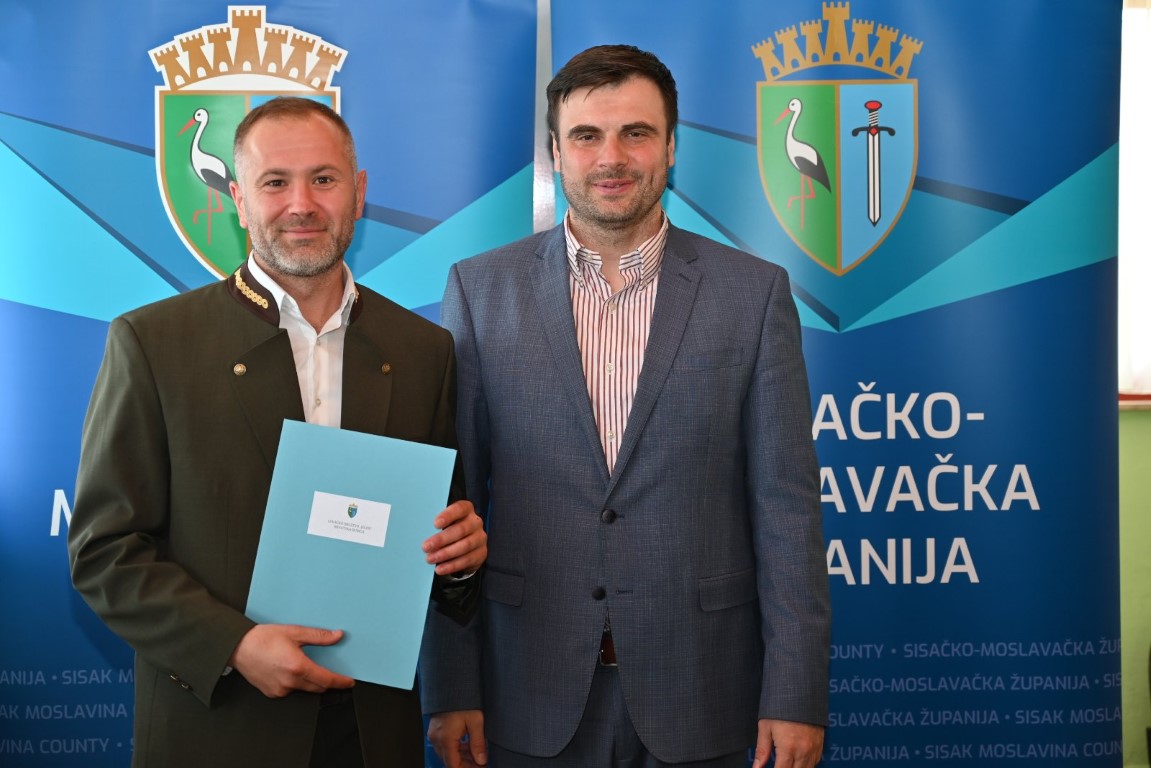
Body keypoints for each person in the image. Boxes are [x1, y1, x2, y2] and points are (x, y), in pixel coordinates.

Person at [421, 45, 830, 768]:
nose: (611, 157)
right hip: (526, 690)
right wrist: (451, 685)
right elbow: (452, 510)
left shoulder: (753, 294)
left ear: (670, 148)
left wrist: (793, 694)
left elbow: (786, 511)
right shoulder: (480, 293)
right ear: (556, 153)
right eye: (586, 136)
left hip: (701, 689)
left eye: (635, 133)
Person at [68, 96, 486, 768]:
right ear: (238, 200)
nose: (302, 204)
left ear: (359, 192)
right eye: (274, 182)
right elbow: (104, 551)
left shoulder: (422, 350)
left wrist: (459, 559)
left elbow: (434, 540)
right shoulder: (152, 343)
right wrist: (233, 645)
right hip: (219, 730)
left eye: (324, 179)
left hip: (371, 734)